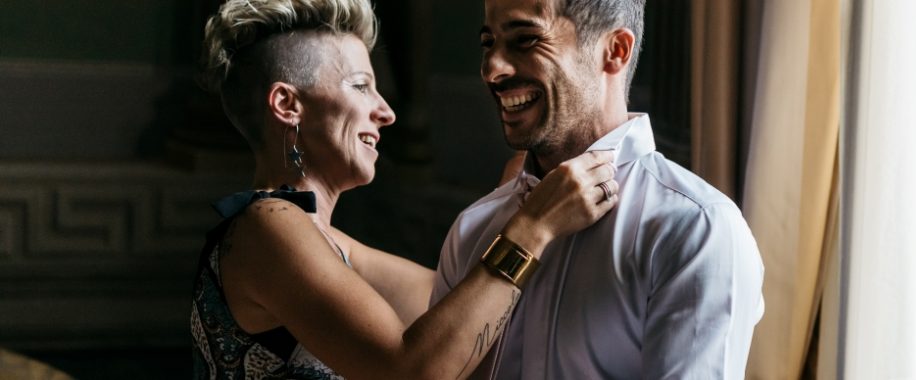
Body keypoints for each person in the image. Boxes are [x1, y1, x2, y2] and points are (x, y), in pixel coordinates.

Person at [189, 0, 621, 378]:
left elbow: (458, 310)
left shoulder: (326, 244)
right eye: (361, 86)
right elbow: (410, 371)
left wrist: (510, 201)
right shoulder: (267, 226)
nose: (386, 112)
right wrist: (531, 226)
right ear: (288, 105)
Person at [429, 0, 766, 378]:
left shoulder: (697, 228)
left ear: (615, 51)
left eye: (525, 40)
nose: (493, 69)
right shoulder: (472, 230)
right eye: (488, 43)